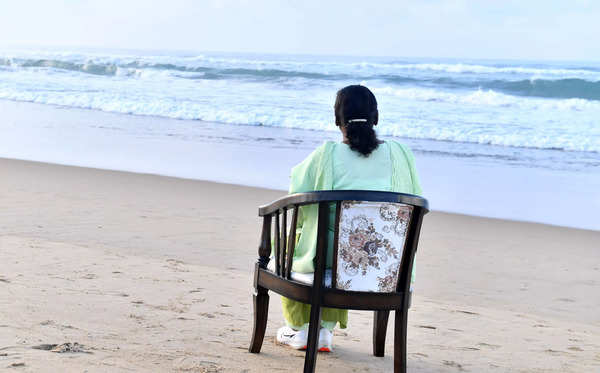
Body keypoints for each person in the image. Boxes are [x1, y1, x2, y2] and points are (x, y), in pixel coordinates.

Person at [275, 85, 422, 352]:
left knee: (295, 243)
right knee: (335, 248)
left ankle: (304, 329)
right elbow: (415, 204)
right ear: (376, 118)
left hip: (331, 263)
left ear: (337, 120)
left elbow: (296, 193)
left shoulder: (326, 155)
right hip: (387, 266)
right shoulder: (401, 155)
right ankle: (323, 331)